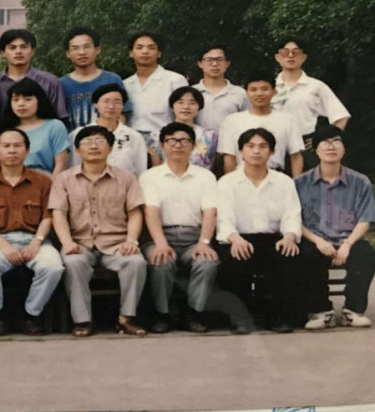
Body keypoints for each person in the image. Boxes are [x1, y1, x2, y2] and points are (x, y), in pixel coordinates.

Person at [51, 125, 147, 337]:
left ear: (110, 148)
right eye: (87, 142)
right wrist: (67, 243)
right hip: (80, 243)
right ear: (77, 150)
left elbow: (135, 213)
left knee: (136, 262)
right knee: (73, 263)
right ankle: (83, 320)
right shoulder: (63, 179)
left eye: (100, 141)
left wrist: (131, 241)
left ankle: (126, 318)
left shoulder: (127, 178)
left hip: (117, 244)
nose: (93, 146)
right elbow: (58, 214)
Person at [0, 128, 64, 336]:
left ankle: (30, 315)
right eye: (6, 146)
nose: (12, 150)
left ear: (27, 150)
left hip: (36, 239)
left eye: (17, 146)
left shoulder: (43, 181)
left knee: (53, 267)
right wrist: (4, 246)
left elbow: (48, 216)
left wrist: (37, 242)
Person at [216, 128, 304, 333]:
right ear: (241, 151)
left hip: (273, 239)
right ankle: (241, 318)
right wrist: (235, 238)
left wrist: (290, 236)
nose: (256, 151)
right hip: (239, 238)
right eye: (250, 146)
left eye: (263, 146)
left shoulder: (284, 182)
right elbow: (223, 218)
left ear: (272, 152)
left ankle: (279, 318)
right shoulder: (227, 182)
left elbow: (292, 215)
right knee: (233, 260)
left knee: (289, 256)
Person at [140, 122, 219, 334]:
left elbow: (210, 212)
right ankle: (162, 314)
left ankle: (193, 313)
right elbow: (151, 212)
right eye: (171, 141)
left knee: (207, 263)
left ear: (193, 145)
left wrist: (204, 242)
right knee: (161, 261)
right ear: (162, 146)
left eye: (184, 141)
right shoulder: (150, 176)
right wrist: (161, 244)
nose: (178, 145)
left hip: (194, 237)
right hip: (159, 236)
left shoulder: (205, 176)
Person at [296, 126, 374, 330]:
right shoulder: (300, 183)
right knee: (305, 254)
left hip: (349, 240)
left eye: (336, 141)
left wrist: (347, 244)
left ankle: (352, 311)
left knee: (366, 253)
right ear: (315, 150)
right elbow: (295, 221)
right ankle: (322, 311)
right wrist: (318, 241)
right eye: (324, 142)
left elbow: (365, 219)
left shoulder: (360, 182)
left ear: (344, 149)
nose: (330, 147)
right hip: (315, 239)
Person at [271, 36, 350, 169]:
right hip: (274, 147)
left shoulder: (316, 86)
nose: (290, 56)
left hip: (305, 148)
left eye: (296, 52)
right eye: (285, 52)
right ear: (277, 57)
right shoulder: (268, 87)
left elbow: (341, 116)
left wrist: (322, 139)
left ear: (304, 57)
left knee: (309, 181)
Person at [218, 72, 304, 177]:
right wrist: (230, 183)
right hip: (241, 177)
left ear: (274, 91)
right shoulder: (232, 120)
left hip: (276, 177)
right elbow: (229, 157)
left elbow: (295, 156)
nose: (259, 94)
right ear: (246, 93)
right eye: (253, 90)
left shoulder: (288, 119)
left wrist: (296, 183)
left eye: (264, 89)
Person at [59, 26, 131, 129]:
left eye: (87, 47)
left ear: (97, 50)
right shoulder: (60, 84)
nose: (82, 52)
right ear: (68, 53)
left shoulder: (112, 79)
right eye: (75, 48)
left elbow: (122, 114)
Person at [0, 29, 69, 124]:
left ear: (32, 51)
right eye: (12, 48)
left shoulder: (50, 82)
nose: (18, 51)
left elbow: (60, 117)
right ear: (3, 52)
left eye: (24, 47)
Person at [122, 31, 189, 141]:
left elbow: (185, 114)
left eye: (151, 47)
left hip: (165, 139)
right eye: (139, 47)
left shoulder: (175, 80)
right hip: (131, 140)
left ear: (159, 53)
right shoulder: (125, 84)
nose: (145, 51)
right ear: (131, 53)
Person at [67, 84, 146, 175]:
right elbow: (73, 166)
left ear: (123, 105)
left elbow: (140, 170)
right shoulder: (78, 134)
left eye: (117, 102)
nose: (111, 106)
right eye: (106, 101)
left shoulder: (134, 136)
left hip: (124, 183)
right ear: (95, 104)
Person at [0, 79, 69, 176]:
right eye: (15, 99)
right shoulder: (5, 128)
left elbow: (61, 165)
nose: (21, 104)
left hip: (44, 180)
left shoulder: (55, 126)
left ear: (39, 101)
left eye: (27, 99)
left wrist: (52, 185)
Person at [146, 87, 218, 170]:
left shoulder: (210, 137)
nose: (186, 107)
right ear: (172, 106)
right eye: (180, 102)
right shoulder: (156, 136)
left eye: (192, 103)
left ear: (199, 107)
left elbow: (210, 169)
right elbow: (156, 169)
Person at [192, 45, 249, 135]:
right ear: (200, 64)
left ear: (227, 63)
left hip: (230, 142)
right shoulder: (191, 92)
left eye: (219, 59)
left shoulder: (240, 93)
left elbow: (247, 122)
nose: (214, 64)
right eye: (209, 60)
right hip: (197, 142)